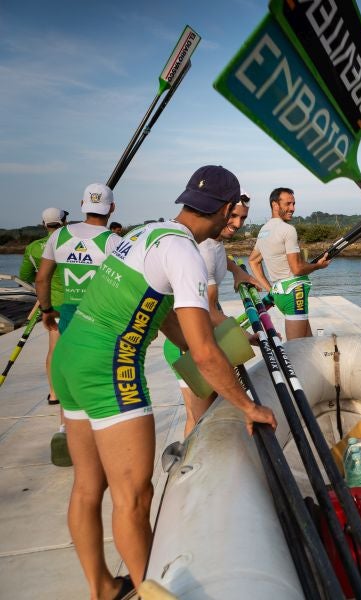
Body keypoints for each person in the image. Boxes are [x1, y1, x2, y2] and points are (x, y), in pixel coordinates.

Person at [49, 165, 277, 598]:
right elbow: (204, 354)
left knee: (86, 487)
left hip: (70, 356)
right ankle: (149, 589)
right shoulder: (186, 254)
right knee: (133, 497)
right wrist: (248, 406)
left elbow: (166, 317)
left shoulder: (145, 233)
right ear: (228, 210)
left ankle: (101, 587)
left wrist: (222, 340)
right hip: (109, 367)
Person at [35, 184, 121, 467]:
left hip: (69, 316)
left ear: (83, 204)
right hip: (102, 321)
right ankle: (102, 437)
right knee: (101, 380)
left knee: (69, 375)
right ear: (112, 208)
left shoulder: (58, 235)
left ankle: (66, 430)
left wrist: (47, 310)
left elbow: (42, 279)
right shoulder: (114, 242)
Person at [162, 191, 259, 436]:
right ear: (221, 210)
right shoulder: (202, 249)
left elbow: (220, 256)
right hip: (187, 343)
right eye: (233, 216)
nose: (237, 224)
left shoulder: (214, 243)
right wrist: (243, 334)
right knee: (200, 422)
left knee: (206, 416)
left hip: (201, 338)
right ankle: (188, 472)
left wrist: (238, 270)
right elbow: (209, 309)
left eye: (243, 218)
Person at [249, 187, 330, 339]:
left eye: (293, 204)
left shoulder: (263, 231)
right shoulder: (288, 229)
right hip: (294, 293)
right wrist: (318, 266)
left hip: (281, 294)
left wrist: (271, 289)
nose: (292, 208)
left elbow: (253, 261)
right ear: (275, 205)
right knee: (296, 350)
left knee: (307, 346)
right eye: (288, 204)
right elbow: (297, 268)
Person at [19, 208, 68, 406]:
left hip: (52, 304)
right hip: (78, 303)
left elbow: (25, 276)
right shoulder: (70, 243)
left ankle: (54, 393)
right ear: (64, 222)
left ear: (44, 224)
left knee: (54, 349)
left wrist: (43, 290)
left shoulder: (33, 248)